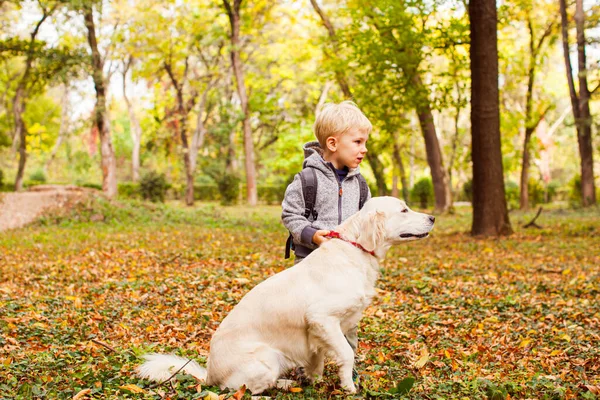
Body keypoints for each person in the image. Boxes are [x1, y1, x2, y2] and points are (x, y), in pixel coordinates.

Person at [281, 100, 372, 384]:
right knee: (306, 316)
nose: (364, 148)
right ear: (332, 143)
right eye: (357, 141)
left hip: (345, 266)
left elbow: (366, 221)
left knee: (347, 314)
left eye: (364, 141)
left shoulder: (360, 185)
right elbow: (290, 214)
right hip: (311, 263)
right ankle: (303, 369)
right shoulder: (308, 179)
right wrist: (311, 234)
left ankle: (349, 365)